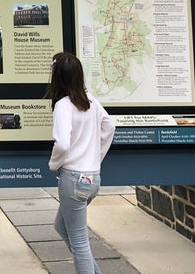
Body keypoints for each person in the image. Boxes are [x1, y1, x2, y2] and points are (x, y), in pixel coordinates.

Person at [48, 52, 116, 274]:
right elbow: (109, 127)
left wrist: (53, 164)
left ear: (57, 76)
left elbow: (63, 144)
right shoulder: (91, 101)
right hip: (92, 178)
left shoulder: (63, 105)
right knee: (62, 227)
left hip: (73, 179)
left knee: (79, 241)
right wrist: (96, 158)